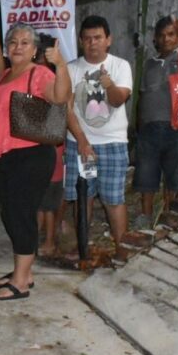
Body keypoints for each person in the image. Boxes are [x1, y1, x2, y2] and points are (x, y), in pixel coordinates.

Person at [0, 23, 71, 300]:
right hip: (10, 155)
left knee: (20, 213)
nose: (17, 47)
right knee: (10, 213)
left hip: (31, 154)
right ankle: (24, 271)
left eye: (24, 43)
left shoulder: (38, 72)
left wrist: (61, 66)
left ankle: (20, 283)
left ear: (35, 50)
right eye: (13, 42)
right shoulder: (7, 74)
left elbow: (60, 97)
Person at [65, 16, 133, 263]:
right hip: (81, 145)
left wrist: (108, 84)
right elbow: (67, 109)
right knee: (84, 197)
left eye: (98, 38)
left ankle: (121, 248)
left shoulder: (120, 66)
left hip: (113, 144)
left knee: (114, 199)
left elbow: (117, 100)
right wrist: (82, 141)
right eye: (87, 39)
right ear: (81, 41)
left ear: (108, 40)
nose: (92, 43)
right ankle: (82, 246)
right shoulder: (71, 69)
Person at [134, 16, 178, 228]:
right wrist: (139, 126)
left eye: (171, 34)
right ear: (155, 40)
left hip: (176, 127)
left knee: (177, 173)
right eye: (162, 35)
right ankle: (146, 216)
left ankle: (171, 215)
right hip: (149, 129)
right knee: (146, 173)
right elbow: (142, 97)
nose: (166, 39)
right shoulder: (149, 64)